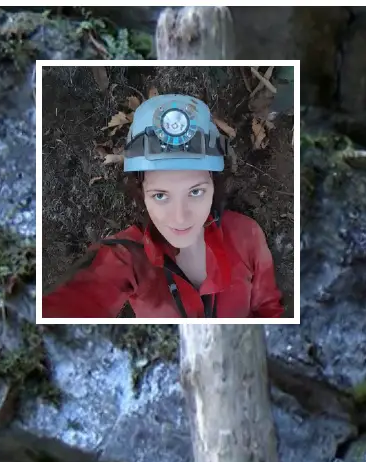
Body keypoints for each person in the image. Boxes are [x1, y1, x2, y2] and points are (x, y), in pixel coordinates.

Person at [41, 92, 282, 319]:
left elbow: (269, 312)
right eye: (160, 196)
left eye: (196, 192)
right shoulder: (126, 258)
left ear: (214, 185)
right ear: (142, 193)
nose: (180, 217)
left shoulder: (246, 235)